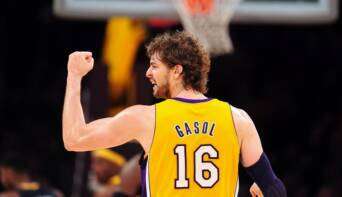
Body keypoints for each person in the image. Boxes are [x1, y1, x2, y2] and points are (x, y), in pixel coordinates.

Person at [63, 31, 287, 196]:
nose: (148, 73)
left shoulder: (147, 118)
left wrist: (74, 75)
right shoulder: (237, 119)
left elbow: (74, 138)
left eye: (154, 66)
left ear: (177, 70)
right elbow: (274, 189)